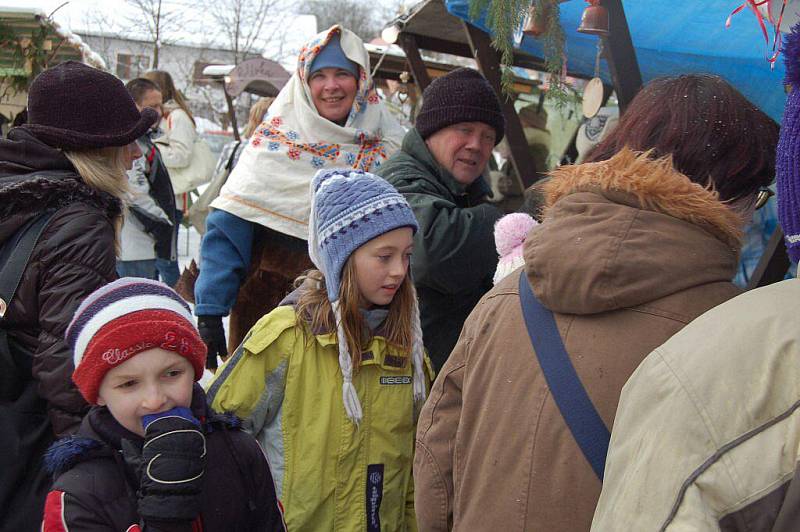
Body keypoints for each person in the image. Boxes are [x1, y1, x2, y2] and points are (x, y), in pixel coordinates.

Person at [412, 73, 779, 532]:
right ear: (723, 188)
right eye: (758, 197)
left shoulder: (502, 298)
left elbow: (434, 465)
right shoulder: (737, 333)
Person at [590, 32, 800, 531]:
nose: (752, 220)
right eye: (755, 197)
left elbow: (436, 453)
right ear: (715, 190)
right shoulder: (719, 334)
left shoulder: (510, 284)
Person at [206, 168, 433, 531]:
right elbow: (222, 433)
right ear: (341, 259)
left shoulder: (406, 349)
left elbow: (416, 464)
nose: (399, 271)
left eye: (406, 256)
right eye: (384, 256)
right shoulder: (287, 337)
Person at [0, 61, 155, 532]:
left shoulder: (13, 186)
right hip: (29, 437)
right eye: (124, 139)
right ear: (95, 147)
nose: (134, 152)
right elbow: (68, 361)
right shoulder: (77, 223)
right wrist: (85, 459)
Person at [195, 25, 405, 369]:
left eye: (342, 74)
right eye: (319, 75)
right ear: (304, 82)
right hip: (266, 316)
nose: (331, 86)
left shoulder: (388, 146)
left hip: (354, 318)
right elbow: (227, 228)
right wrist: (209, 311)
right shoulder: (273, 143)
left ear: (362, 80)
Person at [41, 278, 286, 531]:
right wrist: (166, 516)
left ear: (193, 371)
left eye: (172, 374)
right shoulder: (78, 495)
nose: (156, 400)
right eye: (128, 384)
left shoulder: (240, 451)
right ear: (98, 394)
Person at [377, 67, 505, 371]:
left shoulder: (461, 191)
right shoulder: (399, 179)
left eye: (488, 136)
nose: (477, 144)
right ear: (431, 130)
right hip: (394, 380)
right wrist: (508, 221)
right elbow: (430, 251)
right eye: (464, 129)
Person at [117, 77, 179, 280]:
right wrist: (163, 224)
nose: (159, 112)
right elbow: (133, 192)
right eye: (152, 106)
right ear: (133, 105)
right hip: (135, 249)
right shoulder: (131, 142)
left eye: (160, 106)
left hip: (141, 247)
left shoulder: (144, 140)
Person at [142, 70, 197, 287]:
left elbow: (182, 155)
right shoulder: (165, 116)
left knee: (165, 257)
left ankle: (179, 301)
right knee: (155, 257)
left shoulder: (177, 117)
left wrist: (150, 149)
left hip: (170, 194)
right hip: (156, 194)